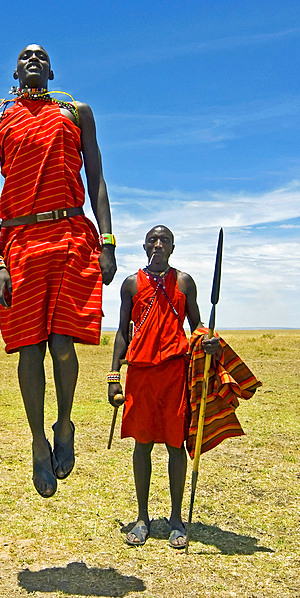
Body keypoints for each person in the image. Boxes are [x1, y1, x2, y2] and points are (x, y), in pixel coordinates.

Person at [0, 43, 117, 498]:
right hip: (19, 243)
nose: (33, 60)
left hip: (71, 235)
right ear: (15, 70)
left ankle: (64, 423)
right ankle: (38, 442)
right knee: (29, 350)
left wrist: (108, 240)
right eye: (24, 56)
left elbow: (97, 179)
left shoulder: (76, 113)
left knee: (62, 344)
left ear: (53, 70)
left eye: (41, 56)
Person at [107, 225, 221, 549]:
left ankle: (175, 519)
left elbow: (196, 324)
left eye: (165, 241)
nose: (158, 244)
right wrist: (113, 376)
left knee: (174, 445)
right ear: (144, 246)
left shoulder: (184, 282)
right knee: (141, 445)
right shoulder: (131, 284)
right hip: (140, 375)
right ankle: (142, 518)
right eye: (153, 240)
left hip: (174, 373)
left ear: (173, 247)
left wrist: (207, 339)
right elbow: (121, 332)